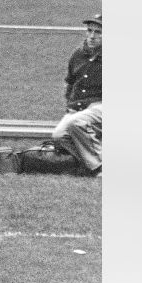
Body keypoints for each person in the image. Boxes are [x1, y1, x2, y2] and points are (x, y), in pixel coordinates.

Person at [53, 13, 102, 176]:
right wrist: (71, 106)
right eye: (89, 31)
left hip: (100, 106)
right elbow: (70, 84)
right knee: (59, 135)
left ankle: (99, 168)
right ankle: (90, 165)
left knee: (77, 123)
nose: (92, 36)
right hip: (78, 108)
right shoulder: (78, 54)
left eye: (98, 32)